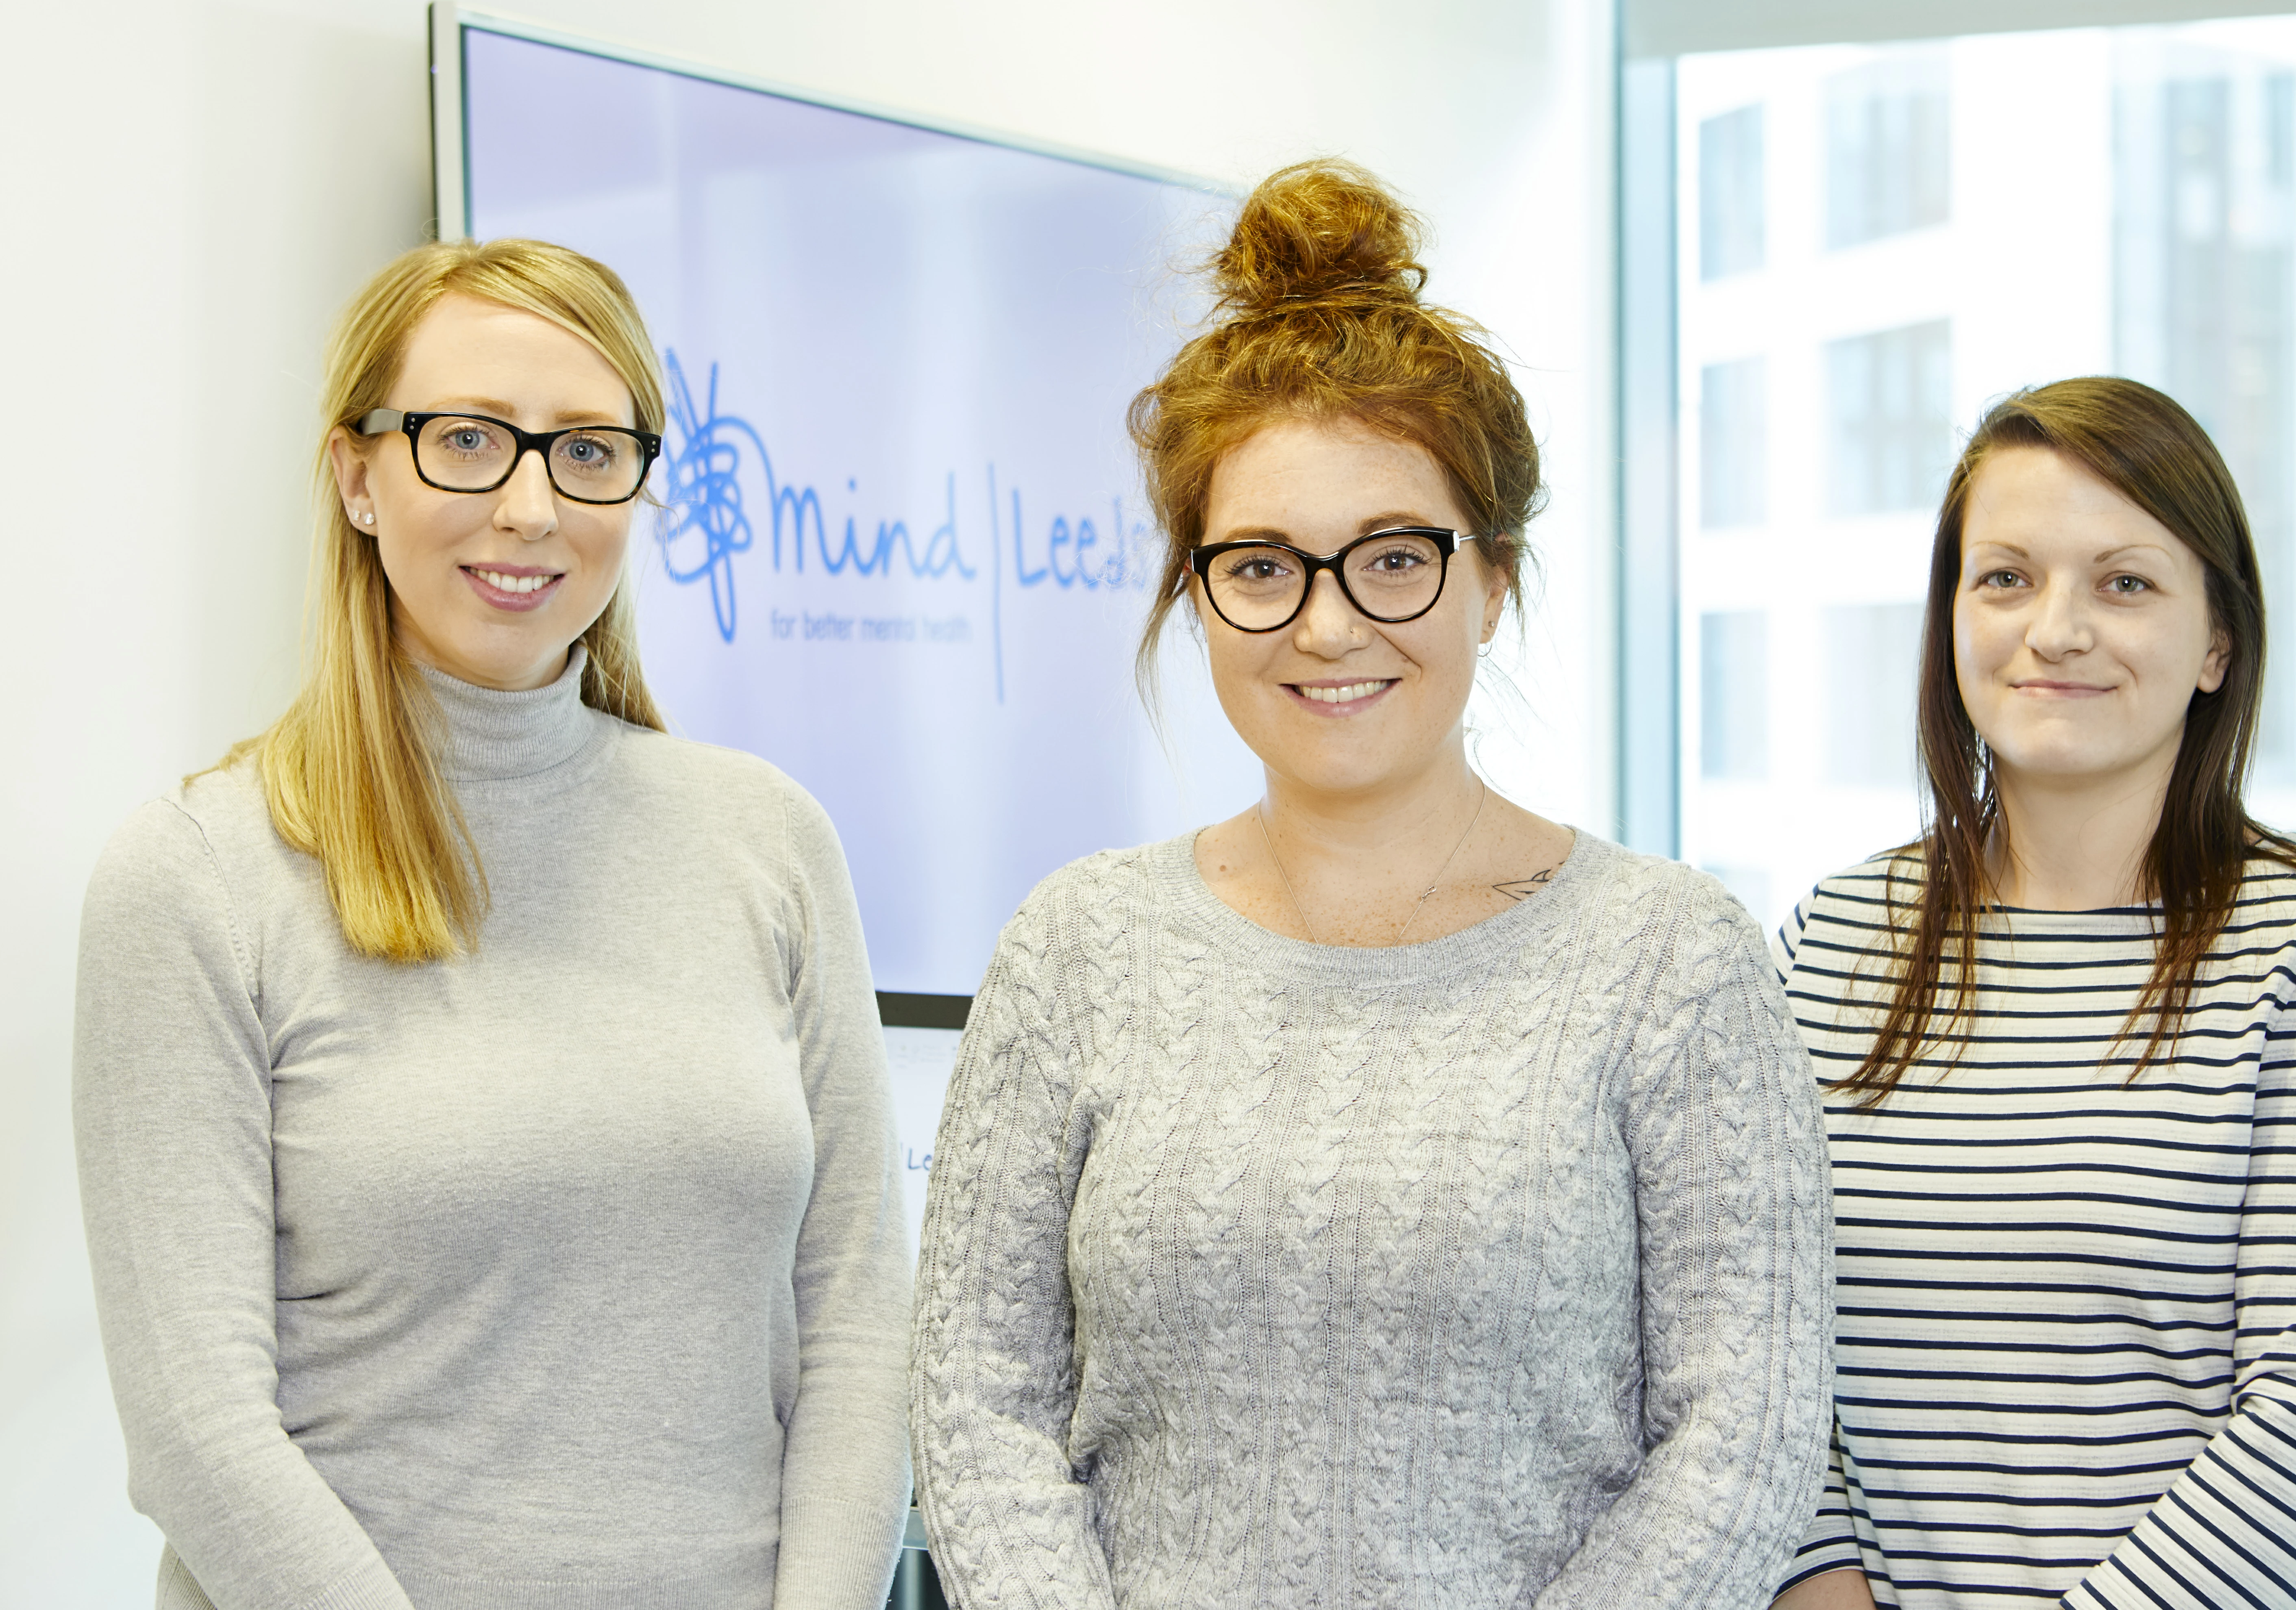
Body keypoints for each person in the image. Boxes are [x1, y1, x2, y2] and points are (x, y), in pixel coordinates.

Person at [908, 160, 1834, 1608]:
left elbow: (1744, 1439)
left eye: (1393, 558)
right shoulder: (1076, 947)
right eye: (1261, 564)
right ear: (1192, 590)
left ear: (1495, 578)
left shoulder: (1671, 960)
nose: (1328, 625)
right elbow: (977, 1404)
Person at [72, 239, 909, 1610]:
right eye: (467, 440)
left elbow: (861, 1330)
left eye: (589, 450)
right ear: (357, 475)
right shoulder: (200, 876)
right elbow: (195, 1432)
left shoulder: (768, 838)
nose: (530, 505)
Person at [1770, 377, 2296, 1610]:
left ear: (2216, 643)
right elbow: (1755, 1349)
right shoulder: (1833, 937)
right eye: (2006, 577)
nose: (2057, 628)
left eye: (2123, 582)